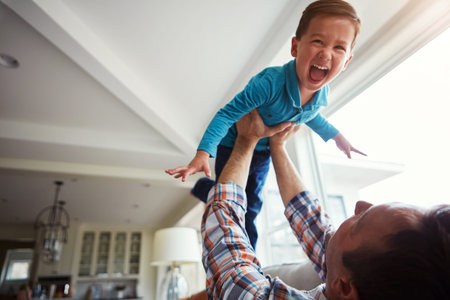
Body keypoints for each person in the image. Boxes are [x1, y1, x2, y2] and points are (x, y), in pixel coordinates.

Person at [166, 0, 366, 249]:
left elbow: (312, 115)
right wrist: (203, 153)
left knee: (252, 203)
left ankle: (207, 193)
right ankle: (244, 243)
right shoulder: (269, 83)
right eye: (318, 41)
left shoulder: (322, 94)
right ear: (295, 46)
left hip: (264, 152)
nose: (326, 53)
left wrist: (337, 137)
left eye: (339, 47)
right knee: (233, 197)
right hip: (233, 144)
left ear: (346, 61)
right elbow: (227, 114)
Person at [196, 110, 450, 300]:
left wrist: (246, 140)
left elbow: (228, 250)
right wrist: (277, 145)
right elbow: (311, 221)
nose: (359, 204)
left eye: (360, 222)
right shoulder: (359, 279)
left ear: (345, 287)